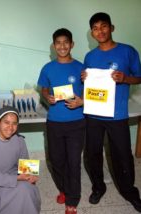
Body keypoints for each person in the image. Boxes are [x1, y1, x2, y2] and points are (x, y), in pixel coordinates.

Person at [82, 12, 141, 212]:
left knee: (123, 155)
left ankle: (129, 191)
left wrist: (125, 78)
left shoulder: (128, 51)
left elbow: (138, 77)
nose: (100, 31)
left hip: (117, 115)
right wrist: (85, 78)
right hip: (94, 114)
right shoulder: (90, 57)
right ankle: (98, 187)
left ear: (112, 27)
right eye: (95, 28)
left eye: (103, 26)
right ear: (92, 33)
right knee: (92, 154)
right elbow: (88, 84)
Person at [37, 28, 85, 214]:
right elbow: (44, 89)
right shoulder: (47, 68)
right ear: (53, 45)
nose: (62, 46)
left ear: (72, 44)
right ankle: (64, 189)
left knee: (73, 162)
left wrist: (81, 101)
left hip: (77, 122)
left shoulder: (81, 68)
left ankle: (73, 199)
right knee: (56, 161)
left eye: (66, 42)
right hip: (54, 122)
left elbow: (91, 91)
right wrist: (47, 95)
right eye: (58, 42)